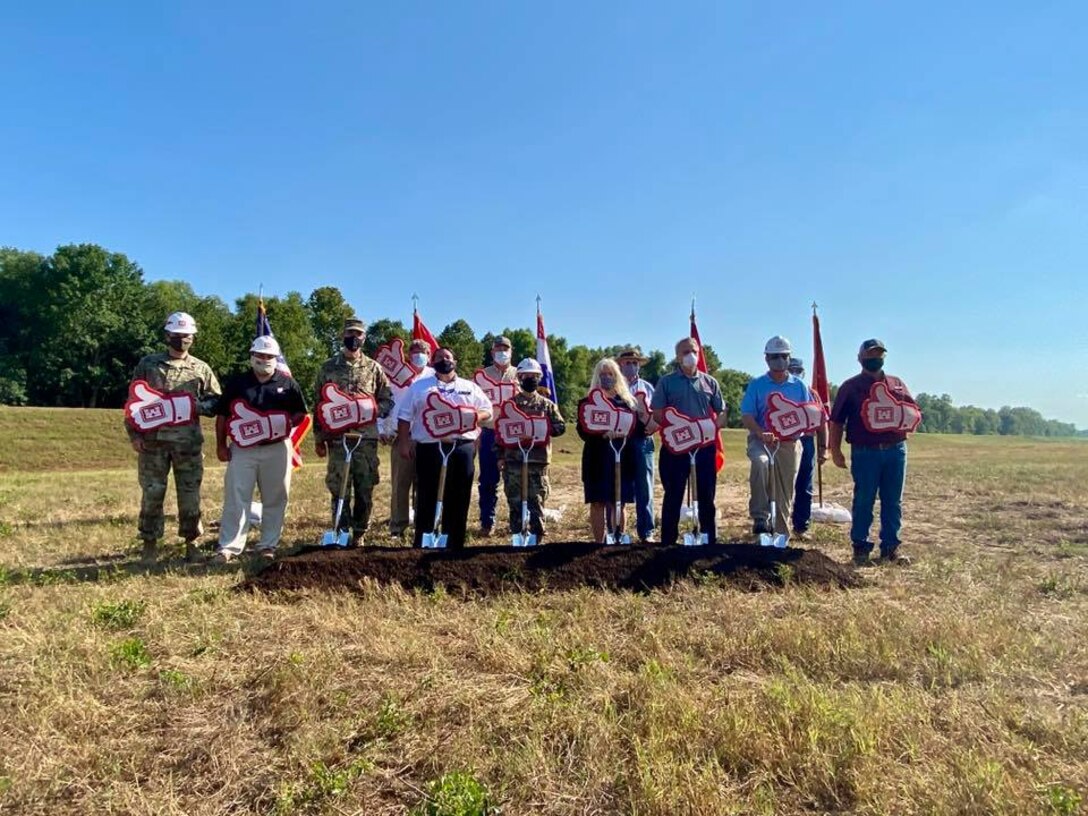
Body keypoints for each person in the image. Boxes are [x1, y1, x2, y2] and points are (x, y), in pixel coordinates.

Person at [124, 311, 221, 563]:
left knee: (190, 495)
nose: (182, 340)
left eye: (186, 336)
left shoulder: (201, 368)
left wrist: (192, 406)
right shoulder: (148, 364)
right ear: (167, 335)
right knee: (152, 493)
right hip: (152, 444)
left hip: (187, 444)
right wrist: (134, 434)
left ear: (193, 338)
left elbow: (216, 402)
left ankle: (192, 543)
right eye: (177, 335)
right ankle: (149, 544)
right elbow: (133, 402)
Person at [212, 336, 308, 563]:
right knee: (237, 495)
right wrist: (220, 445)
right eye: (260, 355)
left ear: (276, 359)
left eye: (269, 356)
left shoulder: (288, 383)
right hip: (243, 448)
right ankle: (229, 546)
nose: (264, 359)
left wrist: (281, 425)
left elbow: (300, 414)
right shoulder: (237, 383)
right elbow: (222, 415)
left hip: (276, 447)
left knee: (276, 496)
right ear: (252, 356)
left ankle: (268, 544)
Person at [829, 338, 922, 566]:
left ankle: (890, 549)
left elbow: (912, 411)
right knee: (864, 499)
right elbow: (837, 421)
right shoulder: (850, 387)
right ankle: (860, 548)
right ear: (860, 358)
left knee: (893, 501)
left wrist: (909, 425)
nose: (874, 359)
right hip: (865, 452)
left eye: (878, 355)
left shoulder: (897, 384)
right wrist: (835, 450)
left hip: (895, 450)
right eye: (870, 355)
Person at [397, 347, 492, 549]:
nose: (444, 360)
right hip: (430, 447)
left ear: (455, 361)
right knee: (426, 494)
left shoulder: (470, 387)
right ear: (432, 362)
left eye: (448, 357)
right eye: (439, 357)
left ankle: (454, 542)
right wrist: (404, 442)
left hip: (461, 447)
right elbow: (404, 416)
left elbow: (487, 410)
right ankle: (423, 539)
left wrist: (476, 416)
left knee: (459, 495)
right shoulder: (419, 387)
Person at [313, 318, 393, 547]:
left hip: (365, 440)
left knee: (364, 487)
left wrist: (373, 412)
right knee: (339, 489)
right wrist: (319, 439)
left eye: (358, 334)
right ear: (342, 336)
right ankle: (340, 530)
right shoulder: (328, 368)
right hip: (338, 440)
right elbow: (318, 405)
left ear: (364, 338)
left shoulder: (374, 368)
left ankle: (359, 533)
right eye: (350, 333)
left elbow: (387, 399)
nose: (354, 338)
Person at [740, 337, 823, 539]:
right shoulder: (757, 385)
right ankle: (760, 517)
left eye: (784, 356)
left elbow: (809, 413)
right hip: (761, 441)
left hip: (789, 444)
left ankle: (780, 534)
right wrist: (760, 432)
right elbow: (747, 415)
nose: (779, 360)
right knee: (761, 464)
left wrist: (813, 434)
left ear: (789, 358)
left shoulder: (799, 386)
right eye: (775, 356)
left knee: (785, 491)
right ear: (767, 359)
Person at [651, 337, 728, 546]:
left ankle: (708, 538)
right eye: (685, 352)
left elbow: (721, 411)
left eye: (693, 350)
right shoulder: (667, 382)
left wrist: (715, 425)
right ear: (678, 356)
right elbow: (657, 413)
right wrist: (678, 426)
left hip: (704, 447)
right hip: (676, 448)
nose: (690, 355)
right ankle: (668, 541)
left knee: (706, 495)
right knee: (673, 494)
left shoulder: (710, 382)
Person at [495, 358, 566, 543]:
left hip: (537, 461)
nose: (531, 379)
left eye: (535, 376)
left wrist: (541, 429)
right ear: (519, 377)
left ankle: (537, 538)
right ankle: (518, 535)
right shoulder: (510, 405)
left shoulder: (547, 405)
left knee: (537, 501)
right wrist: (500, 457)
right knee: (515, 501)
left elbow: (560, 427)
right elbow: (500, 433)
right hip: (514, 462)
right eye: (527, 376)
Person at [577, 359, 645, 543]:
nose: (606, 378)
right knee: (598, 501)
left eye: (610, 374)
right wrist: (602, 433)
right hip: (596, 459)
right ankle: (599, 542)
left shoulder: (628, 404)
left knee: (619, 501)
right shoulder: (587, 403)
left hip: (622, 457)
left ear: (617, 377)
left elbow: (638, 430)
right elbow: (582, 430)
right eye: (602, 374)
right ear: (596, 378)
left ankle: (618, 537)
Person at [378, 338, 434, 538]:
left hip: (427, 439)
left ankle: (423, 525)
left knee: (425, 485)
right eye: (414, 351)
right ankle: (398, 527)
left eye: (423, 351)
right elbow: (386, 402)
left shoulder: (435, 377)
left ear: (429, 355)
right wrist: (381, 427)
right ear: (408, 355)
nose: (418, 355)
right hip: (401, 437)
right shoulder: (396, 376)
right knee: (400, 484)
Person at [474, 335, 518, 536]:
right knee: (488, 480)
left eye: (505, 348)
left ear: (511, 351)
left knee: (515, 480)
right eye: (498, 348)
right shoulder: (481, 377)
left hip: (514, 435)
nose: (502, 352)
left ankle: (517, 521)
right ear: (492, 352)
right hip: (489, 432)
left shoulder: (520, 375)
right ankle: (487, 522)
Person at [618, 346, 658, 543]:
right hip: (620, 440)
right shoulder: (613, 388)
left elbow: (659, 412)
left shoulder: (648, 388)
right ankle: (617, 530)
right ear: (620, 365)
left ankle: (646, 531)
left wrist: (653, 426)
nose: (632, 366)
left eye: (635, 363)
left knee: (645, 486)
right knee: (619, 486)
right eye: (628, 363)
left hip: (643, 440)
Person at [787, 357, 828, 539]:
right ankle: (775, 524)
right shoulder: (780, 391)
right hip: (785, 441)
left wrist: (823, 447)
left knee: (804, 485)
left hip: (807, 441)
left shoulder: (812, 393)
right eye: (792, 369)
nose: (796, 373)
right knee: (781, 484)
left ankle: (800, 527)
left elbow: (822, 422)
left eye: (798, 369)